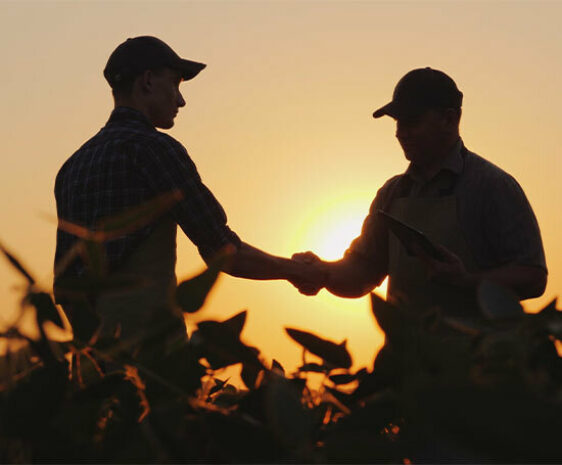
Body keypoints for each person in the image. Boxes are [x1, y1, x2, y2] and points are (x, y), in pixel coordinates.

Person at [53, 36, 322, 340]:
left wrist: (95, 350)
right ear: (148, 81)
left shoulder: (71, 167)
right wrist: (296, 271)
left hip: (93, 365)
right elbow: (223, 250)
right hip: (153, 357)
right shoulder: (155, 150)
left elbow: (64, 287)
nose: (181, 100)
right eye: (176, 84)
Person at [293, 67, 547, 316]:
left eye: (412, 122)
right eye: (398, 123)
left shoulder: (493, 187)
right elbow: (362, 274)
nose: (401, 133)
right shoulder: (392, 193)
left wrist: (467, 280)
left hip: (477, 356)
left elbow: (534, 278)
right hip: (406, 356)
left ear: (449, 119)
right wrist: (321, 272)